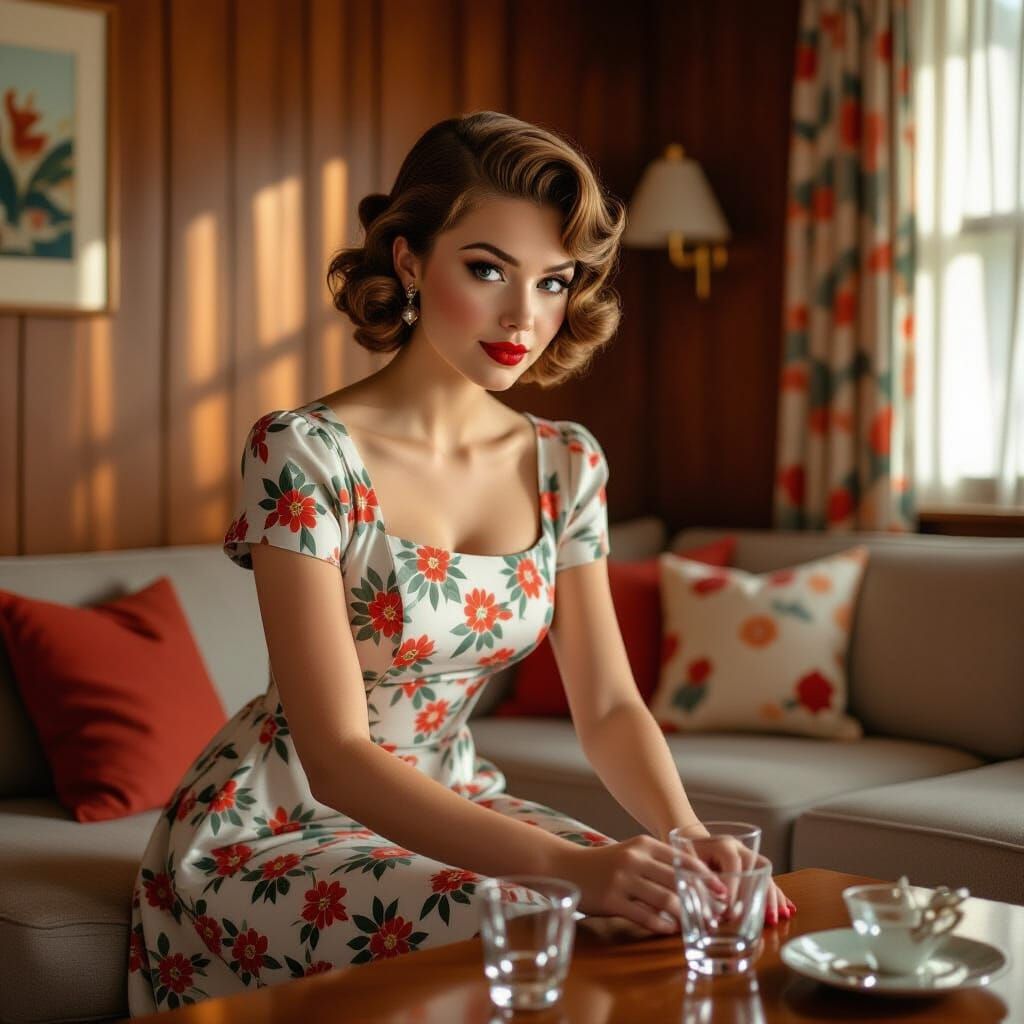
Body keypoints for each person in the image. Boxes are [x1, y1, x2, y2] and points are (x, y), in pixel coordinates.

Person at [127, 110, 795, 1014]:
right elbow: (334, 756)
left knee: (663, 912)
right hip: (277, 825)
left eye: (553, 282)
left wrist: (684, 839)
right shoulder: (303, 451)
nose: (525, 317)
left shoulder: (568, 461)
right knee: (538, 920)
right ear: (408, 260)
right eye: (488, 269)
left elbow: (605, 705)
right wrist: (575, 869)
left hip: (459, 802)